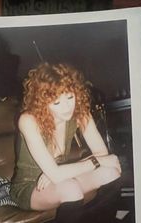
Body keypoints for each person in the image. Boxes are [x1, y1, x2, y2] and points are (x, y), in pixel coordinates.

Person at [10, 62, 121, 213]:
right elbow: (57, 175)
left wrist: (59, 172)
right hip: (30, 186)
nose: (67, 107)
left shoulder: (80, 113)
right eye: (56, 102)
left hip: (62, 177)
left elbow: (102, 154)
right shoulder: (28, 120)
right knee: (70, 189)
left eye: (70, 97)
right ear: (42, 103)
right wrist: (57, 173)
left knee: (111, 172)